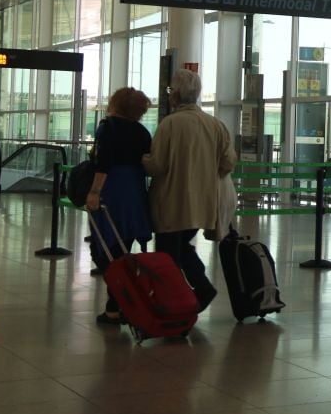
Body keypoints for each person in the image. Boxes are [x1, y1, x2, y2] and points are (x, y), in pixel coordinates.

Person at [142, 69, 235, 313]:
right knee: (183, 248)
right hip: (202, 203)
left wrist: (141, 160)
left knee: (167, 256)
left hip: (172, 202)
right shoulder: (215, 125)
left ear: (178, 94)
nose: (170, 94)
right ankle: (201, 289)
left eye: (171, 90)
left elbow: (157, 165)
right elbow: (228, 163)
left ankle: (172, 303)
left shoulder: (170, 124)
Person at [85, 87, 153, 325]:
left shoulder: (108, 127)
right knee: (123, 247)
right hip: (134, 191)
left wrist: (94, 191)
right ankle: (117, 304)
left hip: (112, 190)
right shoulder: (143, 132)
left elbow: (103, 163)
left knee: (102, 246)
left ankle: (119, 301)